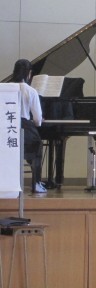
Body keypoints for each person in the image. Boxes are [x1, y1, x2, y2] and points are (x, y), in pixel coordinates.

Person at [11, 59, 46, 194]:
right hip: (24, 129)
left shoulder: (4, 89)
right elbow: (37, 119)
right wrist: (38, 122)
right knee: (37, 145)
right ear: (29, 73)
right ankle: (36, 183)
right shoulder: (30, 91)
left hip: (6, 130)